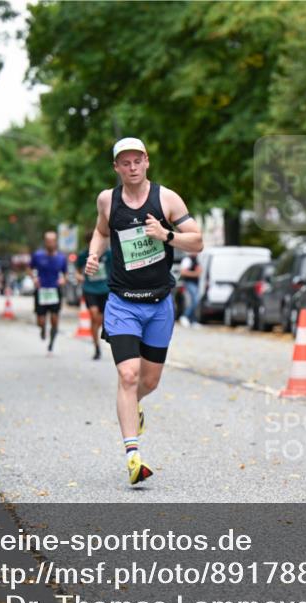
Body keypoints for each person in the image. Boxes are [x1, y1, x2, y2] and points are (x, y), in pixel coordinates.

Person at [85, 137, 203, 485]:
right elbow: (100, 230)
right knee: (128, 375)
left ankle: (131, 406)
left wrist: (165, 235)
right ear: (116, 168)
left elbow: (196, 241)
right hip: (122, 303)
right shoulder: (108, 200)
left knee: (149, 381)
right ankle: (133, 455)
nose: (132, 167)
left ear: (147, 162)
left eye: (138, 161)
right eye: (125, 162)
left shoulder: (166, 198)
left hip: (159, 304)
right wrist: (94, 253)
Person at [76, 231, 114, 360]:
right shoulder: (83, 255)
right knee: (93, 315)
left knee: (101, 319)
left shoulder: (108, 254)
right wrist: (80, 276)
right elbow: (77, 270)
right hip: (90, 289)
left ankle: (99, 332)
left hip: (105, 289)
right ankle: (97, 347)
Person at [30, 231, 67, 353]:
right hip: (41, 290)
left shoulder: (61, 257)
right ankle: (42, 328)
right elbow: (29, 268)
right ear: (45, 242)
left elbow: (65, 273)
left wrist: (63, 279)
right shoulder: (37, 255)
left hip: (54, 290)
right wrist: (34, 278)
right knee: (40, 321)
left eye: (53, 241)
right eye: (48, 241)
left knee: (55, 319)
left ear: (56, 242)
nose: (51, 243)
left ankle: (51, 342)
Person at [178, 252, 202, 327]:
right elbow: (183, 272)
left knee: (195, 301)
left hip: (195, 283)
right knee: (194, 300)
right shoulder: (187, 260)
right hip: (189, 283)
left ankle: (193, 320)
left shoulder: (196, 259)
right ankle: (185, 316)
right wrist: (195, 274)